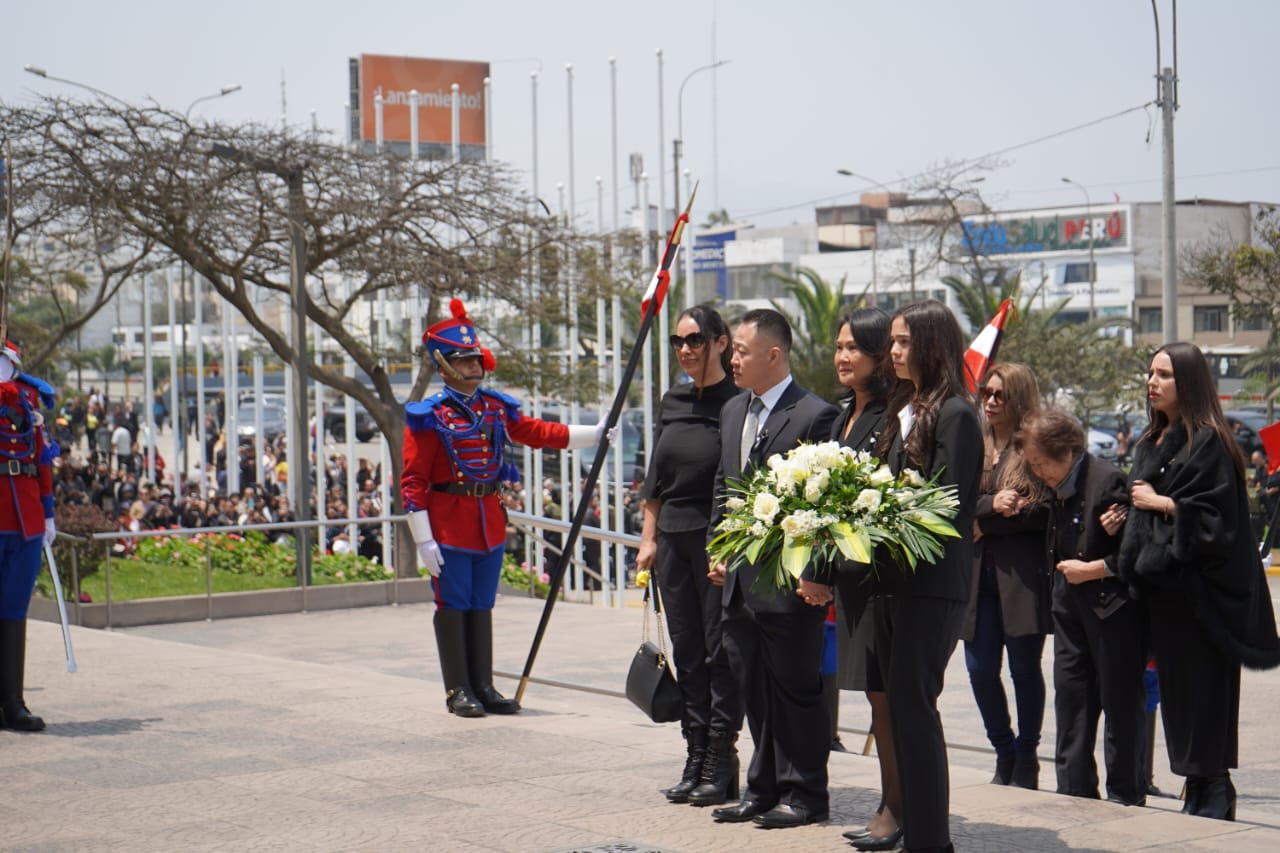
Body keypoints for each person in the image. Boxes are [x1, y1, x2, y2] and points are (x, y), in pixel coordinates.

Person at [400, 299, 607, 718]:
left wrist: (594, 435)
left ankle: (484, 684)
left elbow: (535, 431)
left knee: (481, 603)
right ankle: (458, 689)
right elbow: (412, 482)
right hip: (448, 525)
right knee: (453, 604)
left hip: (487, 521)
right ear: (443, 366)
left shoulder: (493, 407)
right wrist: (423, 539)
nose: (474, 366)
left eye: (476, 358)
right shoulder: (429, 416)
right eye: (464, 360)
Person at [1114, 342, 1280, 820]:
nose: (1152, 382)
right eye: (1150, 373)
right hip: (1166, 599)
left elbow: (1220, 525)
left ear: (1187, 381)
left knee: (1207, 694)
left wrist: (1162, 505)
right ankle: (1197, 784)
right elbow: (1144, 510)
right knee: (1180, 698)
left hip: (1205, 600)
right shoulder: (1151, 442)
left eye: (1163, 374)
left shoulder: (1209, 441)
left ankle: (1215, 789)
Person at [707, 308, 839, 829]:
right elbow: (724, 483)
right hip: (738, 579)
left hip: (787, 581)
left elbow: (827, 505)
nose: (731, 358)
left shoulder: (815, 415)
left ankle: (805, 794)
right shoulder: (733, 409)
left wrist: (816, 572)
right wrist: (718, 547)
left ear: (773, 354)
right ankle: (761, 790)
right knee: (752, 689)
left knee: (795, 690)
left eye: (740, 350)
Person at [860, 300, 982, 853]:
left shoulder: (955, 413)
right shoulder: (903, 408)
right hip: (892, 584)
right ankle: (917, 831)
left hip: (930, 588)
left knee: (915, 707)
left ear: (933, 345)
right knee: (902, 709)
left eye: (905, 341)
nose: (894, 351)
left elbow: (948, 506)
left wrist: (882, 512)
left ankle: (931, 841)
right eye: (893, 341)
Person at [635, 304, 742, 806]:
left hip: (716, 541)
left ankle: (722, 759)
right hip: (673, 541)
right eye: (678, 341)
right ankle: (694, 752)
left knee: (718, 652)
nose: (686, 350)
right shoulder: (671, 400)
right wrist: (647, 539)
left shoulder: (739, 401)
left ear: (721, 342)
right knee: (686, 651)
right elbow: (655, 478)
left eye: (695, 340)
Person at [1020, 407, 1147, 806]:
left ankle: (1126, 793)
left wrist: (1094, 569)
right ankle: (1073, 788)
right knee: (1071, 696)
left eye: (1042, 463)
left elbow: (1136, 550)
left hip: (1112, 611)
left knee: (1119, 701)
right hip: (1069, 609)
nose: (1038, 472)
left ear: (1067, 452)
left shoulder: (1107, 480)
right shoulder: (1052, 485)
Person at [826, 308, 904, 847]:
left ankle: (896, 809)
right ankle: (890, 802)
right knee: (875, 697)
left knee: (888, 697)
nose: (843, 356)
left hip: (883, 578)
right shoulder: (840, 416)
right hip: (849, 578)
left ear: (880, 356)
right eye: (838, 347)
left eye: (854, 347)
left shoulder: (892, 417)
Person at [962, 363, 1051, 790]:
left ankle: (1028, 756)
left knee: (1024, 671)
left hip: (1021, 579)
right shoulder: (973, 445)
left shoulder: (1035, 446)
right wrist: (988, 508)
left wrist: (990, 518)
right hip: (976, 578)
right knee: (979, 670)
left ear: (1019, 398)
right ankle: (1004, 749)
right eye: (987, 394)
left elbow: (1042, 510)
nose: (992, 402)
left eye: (1001, 395)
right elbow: (955, 505)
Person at [0, 341, 58, 731]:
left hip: (26, 519)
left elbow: (42, 462)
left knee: (14, 611)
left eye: (7, 362)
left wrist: (49, 513)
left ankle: (12, 702)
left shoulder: (27, 403)